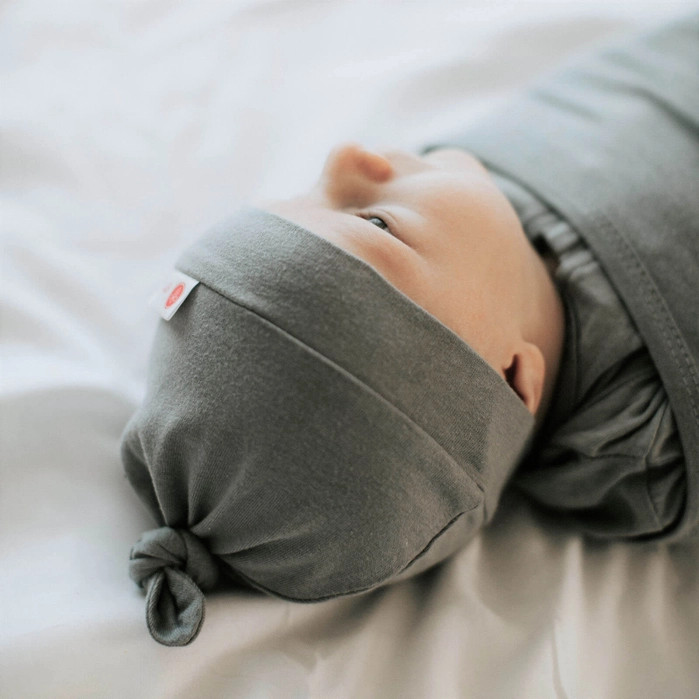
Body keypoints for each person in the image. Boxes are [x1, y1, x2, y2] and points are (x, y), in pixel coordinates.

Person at [121, 11, 699, 646]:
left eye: (302, 196)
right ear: (512, 379)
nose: (347, 157)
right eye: (376, 224)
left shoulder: (465, 195)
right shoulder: (649, 441)